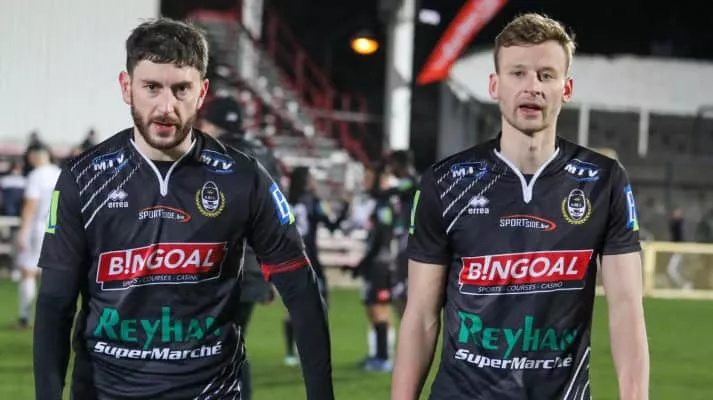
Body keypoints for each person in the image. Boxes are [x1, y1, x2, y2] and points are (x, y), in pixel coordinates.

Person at [33, 18, 333, 400]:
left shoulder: (243, 178)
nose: (166, 106)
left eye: (181, 89)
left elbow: (300, 287)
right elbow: (55, 303)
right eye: (151, 87)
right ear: (126, 87)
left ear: (202, 91)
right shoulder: (83, 178)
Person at [392, 13, 649, 400]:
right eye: (518, 73)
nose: (532, 87)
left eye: (546, 75)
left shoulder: (603, 181)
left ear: (566, 88)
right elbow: (421, 316)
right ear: (495, 85)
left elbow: (627, 309)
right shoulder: (445, 182)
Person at [197, 95, 283, 399]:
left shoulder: (209, 156)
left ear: (211, 124)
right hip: (253, 269)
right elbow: (278, 217)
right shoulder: (264, 157)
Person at [285, 166, 349, 365]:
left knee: (293, 306)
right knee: (320, 304)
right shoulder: (313, 201)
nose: (314, 181)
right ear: (305, 180)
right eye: (311, 178)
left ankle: (290, 353)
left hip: (288, 260)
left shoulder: (286, 201)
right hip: (310, 259)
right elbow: (332, 226)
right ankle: (312, 348)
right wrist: (345, 207)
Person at [350, 162, 397, 372]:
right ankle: (378, 354)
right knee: (373, 308)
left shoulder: (384, 205)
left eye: (368, 178)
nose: (365, 182)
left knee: (379, 309)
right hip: (375, 264)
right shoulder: (376, 204)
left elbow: (381, 238)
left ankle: (384, 357)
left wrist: (365, 262)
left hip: (380, 265)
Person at [15, 146, 60, 328]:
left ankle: (24, 317)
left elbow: (31, 204)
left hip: (38, 228)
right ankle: (52, 318)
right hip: (56, 228)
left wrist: (23, 231)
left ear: (34, 157)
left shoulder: (36, 175)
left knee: (28, 271)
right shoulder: (60, 173)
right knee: (52, 274)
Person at [385, 150, 418, 318]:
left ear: (399, 164)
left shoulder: (412, 182)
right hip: (401, 239)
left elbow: (388, 192)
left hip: (408, 239)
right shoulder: (408, 183)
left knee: (402, 290)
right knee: (399, 291)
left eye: (392, 164)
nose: (390, 168)